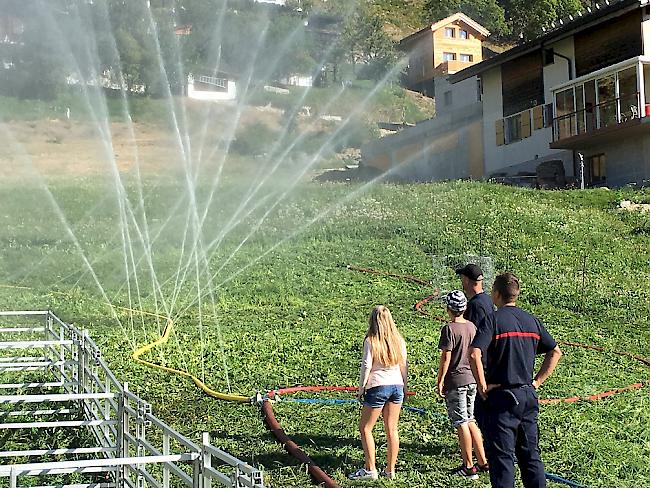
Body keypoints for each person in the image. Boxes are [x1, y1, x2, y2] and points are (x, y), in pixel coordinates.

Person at [469, 273, 563, 488]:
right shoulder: (531, 320)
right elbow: (555, 351)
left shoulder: (492, 320)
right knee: (531, 456)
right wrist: (536, 382)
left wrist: (482, 385)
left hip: (503, 398)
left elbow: (474, 353)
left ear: (496, 294)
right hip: (527, 396)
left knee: (502, 459)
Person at [349, 305, 408, 481]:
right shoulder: (399, 340)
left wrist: (361, 388)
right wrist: (404, 386)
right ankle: (390, 470)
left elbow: (367, 365)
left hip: (378, 386)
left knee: (366, 428)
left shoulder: (371, 341)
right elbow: (404, 365)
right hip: (396, 386)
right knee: (392, 429)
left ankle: (370, 469)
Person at [437, 291, 488, 480]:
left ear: (449, 309)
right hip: (472, 379)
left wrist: (440, 380)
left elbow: (446, 357)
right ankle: (483, 461)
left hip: (456, 381)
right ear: (465, 308)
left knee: (461, 422)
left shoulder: (449, 330)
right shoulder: (472, 327)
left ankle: (468, 466)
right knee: (471, 419)